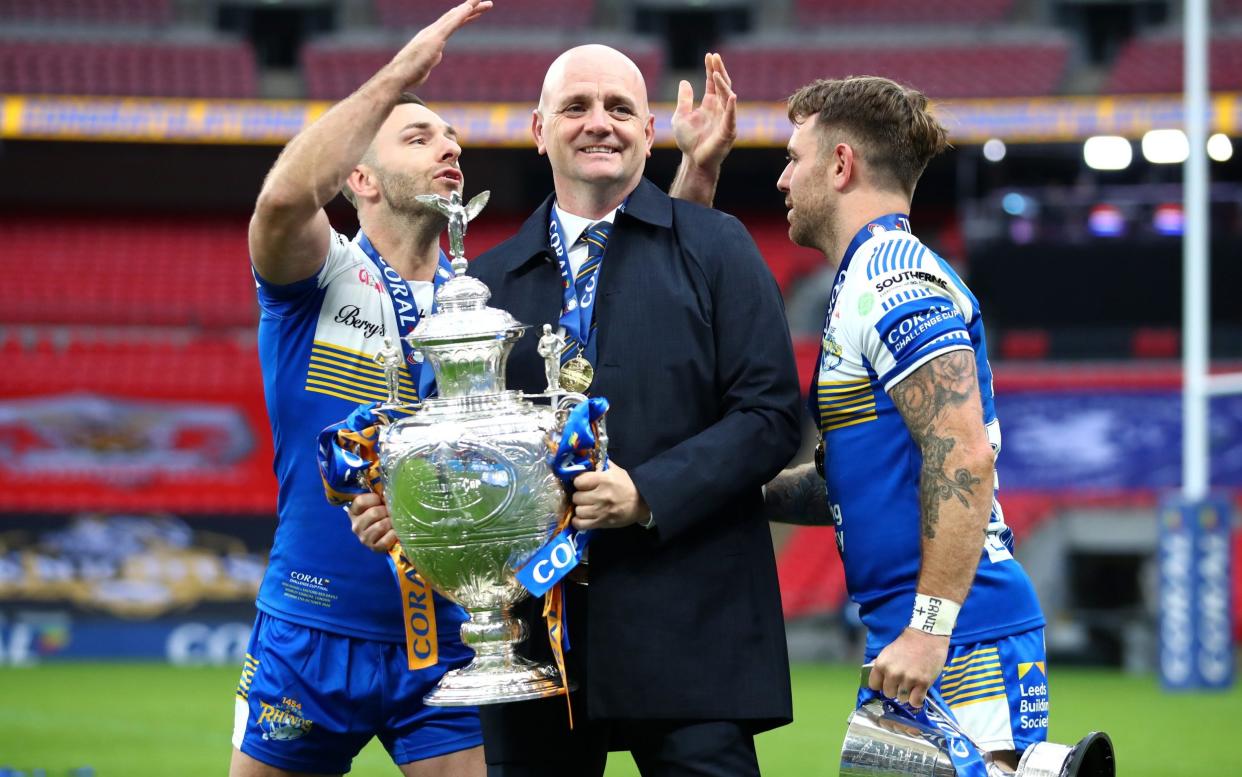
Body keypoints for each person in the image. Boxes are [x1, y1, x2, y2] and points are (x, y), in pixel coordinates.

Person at [350, 44, 801, 777]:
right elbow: (455, 448)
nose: (600, 124)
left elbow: (771, 414)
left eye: (620, 108)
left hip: (692, 627)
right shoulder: (485, 285)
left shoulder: (718, 248)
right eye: (577, 107)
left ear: (651, 133)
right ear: (538, 128)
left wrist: (647, 491)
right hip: (534, 641)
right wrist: (401, 506)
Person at [234, 3, 496, 776]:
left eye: (452, 139)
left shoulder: (480, 306)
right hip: (313, 628)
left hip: (447, 639)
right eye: (418, 137)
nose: (448, 148)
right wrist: (395, 83)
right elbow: (282, 201)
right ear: (360, 177)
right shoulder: (322, 274)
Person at [764, 76, 1048, 771]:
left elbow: (963, 456)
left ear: (840, 165)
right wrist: (721, 495)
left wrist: (927, 630)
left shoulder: (893, 280)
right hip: (926, 627)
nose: (781, 178)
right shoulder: (868, 279)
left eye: (794, 158)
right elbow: (854, 483)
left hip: (958, 633)